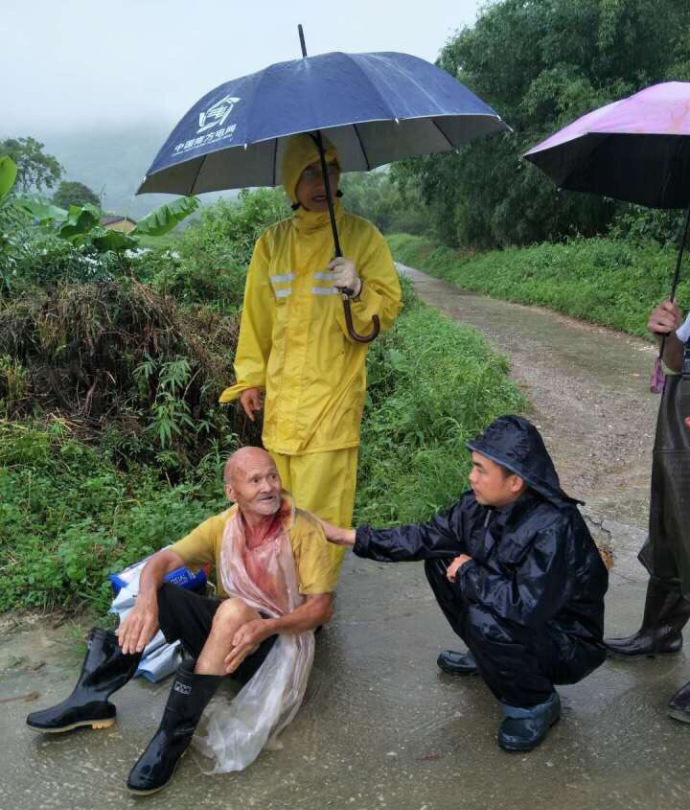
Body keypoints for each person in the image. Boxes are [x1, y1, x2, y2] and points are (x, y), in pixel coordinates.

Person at [26, 447, 338, 794]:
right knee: (160, 593)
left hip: (276, 643)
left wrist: (267, 627)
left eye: (272, 476)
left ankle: (173, 737)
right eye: (254, 480)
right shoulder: (223, 525)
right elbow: (162, 561)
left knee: (233, 610)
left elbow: (322, 609)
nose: (268, 487)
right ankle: (92, 697)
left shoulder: (302, 529)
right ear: (232, 492)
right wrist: (146, 600)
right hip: (229, 639)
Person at [318, 415, 608, 752]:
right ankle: (490, 658)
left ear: (516, 481)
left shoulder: (554, 528)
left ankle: (534, 703)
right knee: (440, 559)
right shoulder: (478, 506)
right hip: (524, 623)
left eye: (481, 470)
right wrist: (347, 536)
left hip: (567, 643)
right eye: (474, 466)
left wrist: (470, 572)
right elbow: (424, 537)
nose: (471, 477)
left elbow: (526, 606)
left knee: (485, 617)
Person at [219, 133, 402, 573]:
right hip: (283, 407)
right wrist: (250, 379)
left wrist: (359, 289)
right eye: (310, 173)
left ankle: (314, 596)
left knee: (319, 514)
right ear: (291, 182)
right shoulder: (272, 244)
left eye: (330, 171)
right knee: (276, 509)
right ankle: (282, 587)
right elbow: (257, 318)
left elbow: (386, 310)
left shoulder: (362, 237)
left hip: (331, 404)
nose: (323, 182)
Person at [605, 299, 690, 722]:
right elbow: (676, 362)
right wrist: (669, 335)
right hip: (682, 412)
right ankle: (661, 630)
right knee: (672, 528)